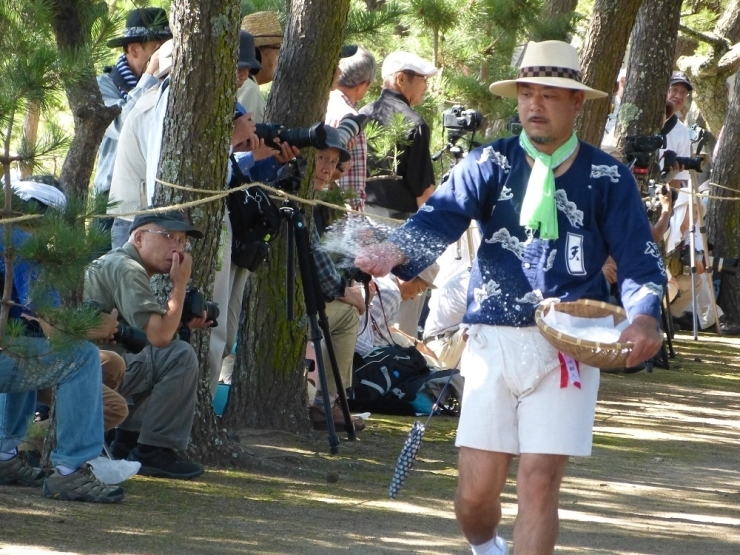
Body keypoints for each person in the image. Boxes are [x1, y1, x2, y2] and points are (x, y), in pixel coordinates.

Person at [355, 40, 665, 555]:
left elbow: (638, 257)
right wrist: (394, 250)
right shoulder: (489, 163)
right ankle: (486, 547)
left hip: (572, 341)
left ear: (577, 103)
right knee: (475, 494)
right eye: (527, 93)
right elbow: (440, 217)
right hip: (492, 336)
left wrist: (645, 316)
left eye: (549, 94)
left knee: (540, 481)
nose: (535, 105)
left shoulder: (607, 176)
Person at [0, 225, 124, 503]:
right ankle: (70, 473)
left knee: (20, 337)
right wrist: (96, 327)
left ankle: (4, 455)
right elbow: (54, 329)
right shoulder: (19, 241)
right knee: (82, 356)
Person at [84, 210, 211, 480]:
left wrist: (182, 324)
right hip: (91, 369)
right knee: (179, 356)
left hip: (92, 364)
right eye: (168, 237)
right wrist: (180, 285)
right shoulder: (126, 269)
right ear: (139, 237)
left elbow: (142, 337)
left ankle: (126, 442)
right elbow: (160, 338)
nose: (178, 248)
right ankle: (153, 451)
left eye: (182, 241)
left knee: (158, 355)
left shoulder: (120, 264)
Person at [308, 125, 369, 432]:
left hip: (305, 301)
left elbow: (334, 255)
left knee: (348, 308)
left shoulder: (322, 202)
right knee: (346, 314)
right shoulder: (301, 199)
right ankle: (326, 403)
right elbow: (315, 258)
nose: (327, 168)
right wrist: (345, 292)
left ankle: (327, 402)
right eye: (320, 158)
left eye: (333, 163)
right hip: (288, 309)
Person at [93, 7, 172, 198]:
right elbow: (122, 125)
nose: (164, 55)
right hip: (113, 194)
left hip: (155, 191)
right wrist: (148, 77)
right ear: (134, 49)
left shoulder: (166, 84)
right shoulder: (104, 85)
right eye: (159, 48)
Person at [360, 51, 437, 219]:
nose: (426, 86)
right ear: (401, 78)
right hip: (397, 221)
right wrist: (430, 226)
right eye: (423, 79)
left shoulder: (362, 115)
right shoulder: (414, 123)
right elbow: (422, 188)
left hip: (360, 215)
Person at [325, 46, 377, 211]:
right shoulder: (351, 120)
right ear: (362, 85)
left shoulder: (321, 103)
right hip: (334, 217)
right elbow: (351, 191)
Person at [355, 264, 439, 358]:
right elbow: (358, 335)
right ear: (411, 277)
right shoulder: (392, 293)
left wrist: (417, 344)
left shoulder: (383, 278)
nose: (414, 297)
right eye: (419, 290)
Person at [239, 11, 283, 122]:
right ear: (260, 53)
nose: (280, 56)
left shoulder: (248, 85)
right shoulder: (249, 89)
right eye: (278, 49)